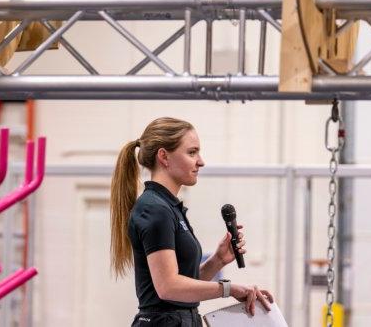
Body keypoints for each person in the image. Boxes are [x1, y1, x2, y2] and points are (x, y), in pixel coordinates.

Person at [110, 117, 274, 327]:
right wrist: (229, 289)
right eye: (192, 152)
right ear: (164, 156)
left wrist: (218, 260)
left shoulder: (168, 207)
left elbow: (181, 283)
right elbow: (168, 287)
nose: (201, 161)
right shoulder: (155, 209)